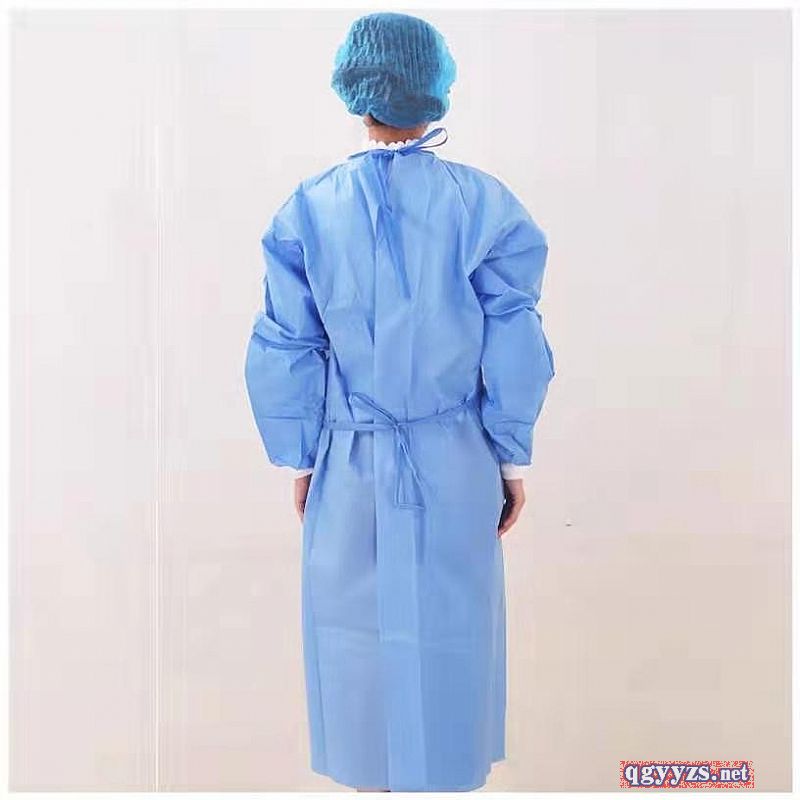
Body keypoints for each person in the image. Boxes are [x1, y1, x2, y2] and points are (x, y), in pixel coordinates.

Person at [244, 11, 555, 792]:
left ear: (354, 93)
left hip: (348, 463)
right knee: (453, 635)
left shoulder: (309, 211)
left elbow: (286, 345)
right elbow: (514, 337)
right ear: (436, 90)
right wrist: (511, 458)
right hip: (456, 460)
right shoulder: (482, 206)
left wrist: (302, 458)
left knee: (354, 644)